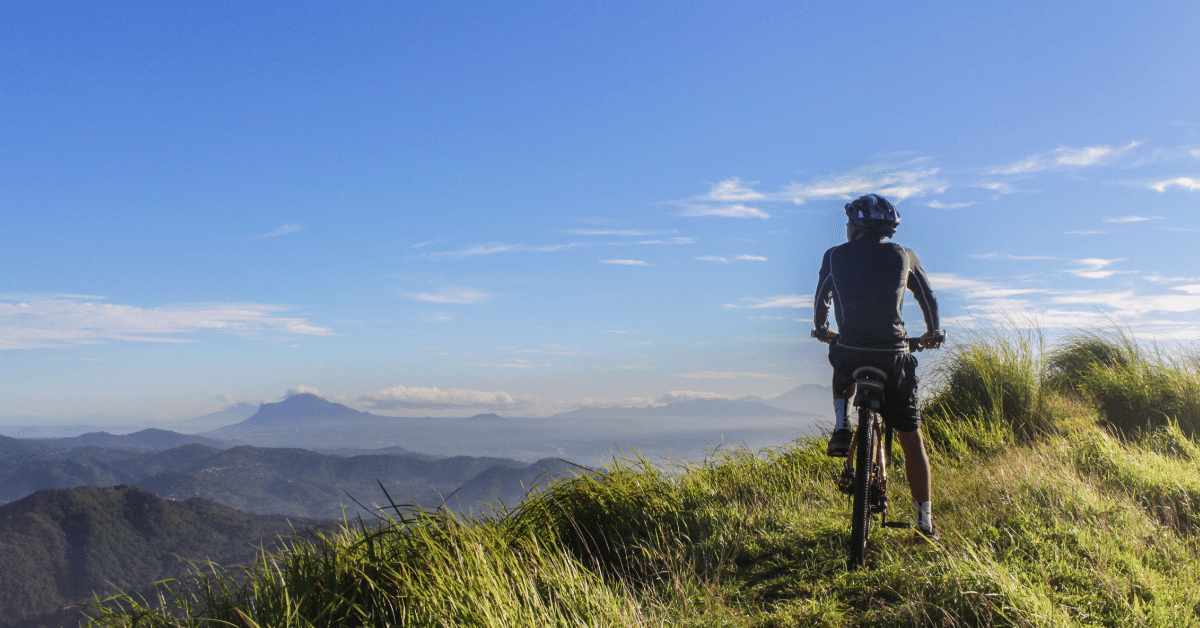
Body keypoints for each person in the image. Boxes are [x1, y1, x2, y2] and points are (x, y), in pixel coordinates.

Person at [811, 193, 945, 538]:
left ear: (855, 226)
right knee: (910, 437)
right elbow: (927, 297)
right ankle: (925, 523)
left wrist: (823, 329)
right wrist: (933, 332)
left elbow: (822, 297)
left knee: (839, 363)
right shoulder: (905, 255)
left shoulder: (834, 255)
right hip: (894, 356)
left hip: (851, 351)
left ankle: (841, 425)